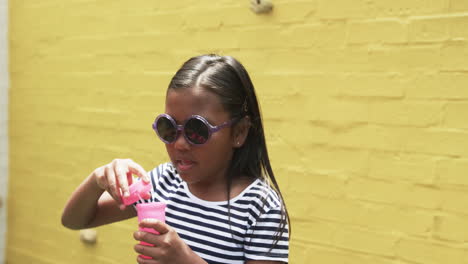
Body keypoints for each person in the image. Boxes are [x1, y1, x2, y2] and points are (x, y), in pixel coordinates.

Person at [62, 54, 290, 264]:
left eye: (197, 130)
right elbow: (76, 220)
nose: (179, 143)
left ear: (239, 132)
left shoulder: (260, 208)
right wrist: (97, 180)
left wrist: (185, 260)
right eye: (168, 127)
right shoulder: (163, 181)